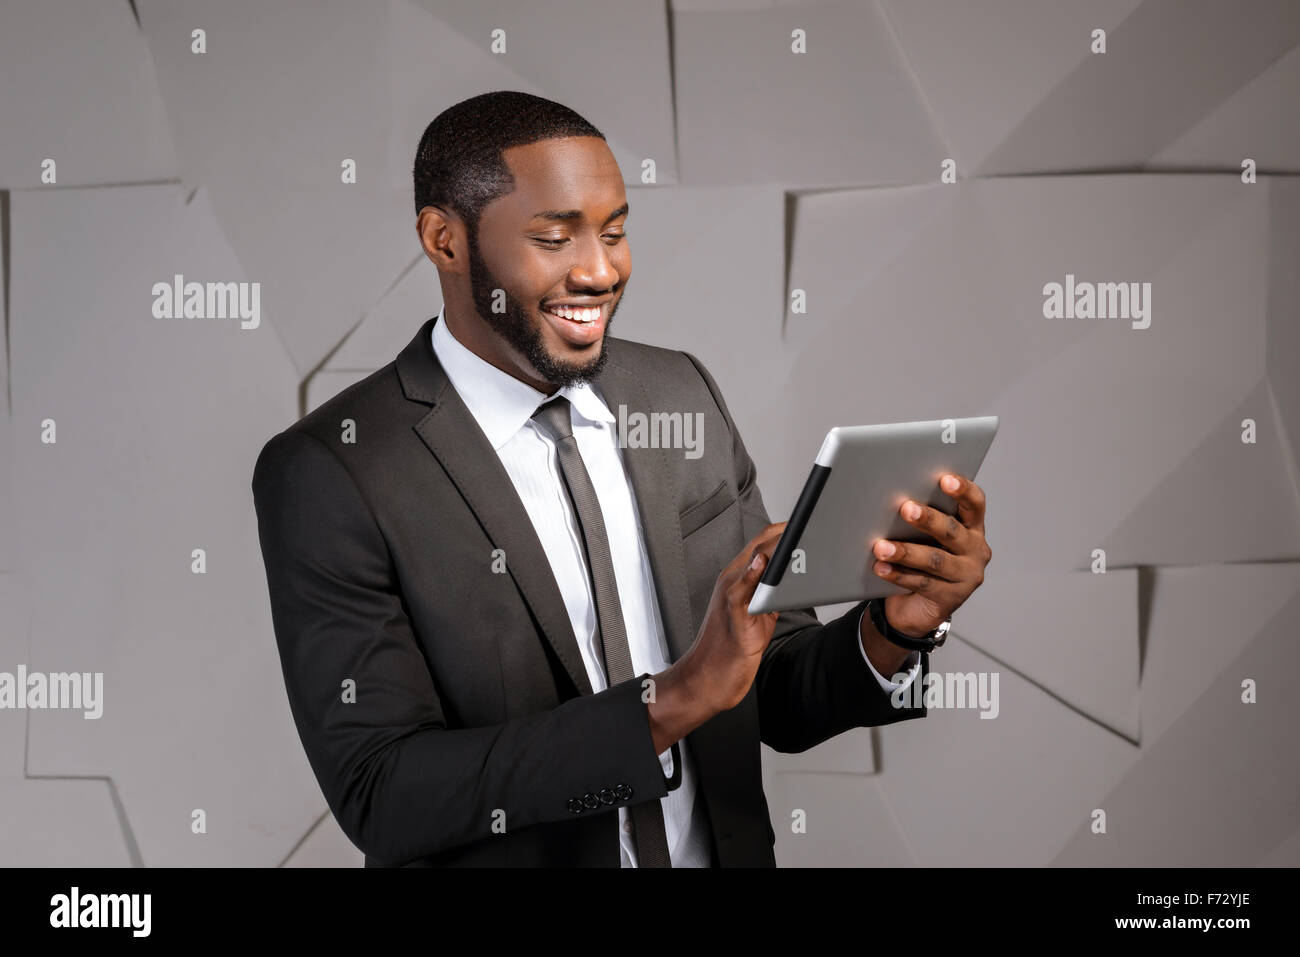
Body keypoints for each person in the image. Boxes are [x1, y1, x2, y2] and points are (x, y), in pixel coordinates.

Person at [251, 91, 992, 867]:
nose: (601, 271)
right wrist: (668, 703)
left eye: (614, 233)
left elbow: (770, 688)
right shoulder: (334, 468)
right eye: (553, 237)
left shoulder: (680, 394)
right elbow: (385, 790)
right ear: (445, 240)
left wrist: (896, 631)